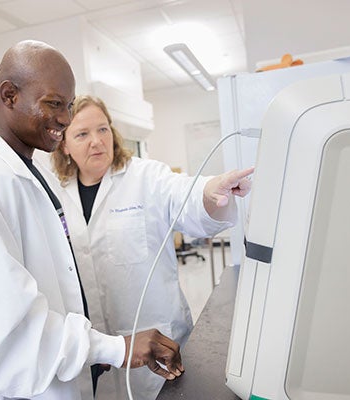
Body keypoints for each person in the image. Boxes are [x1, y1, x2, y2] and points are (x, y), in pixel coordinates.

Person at [0, 40, 183, 400]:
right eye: (53, 103)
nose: (65, 117)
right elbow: (11, 332)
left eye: (69, 105)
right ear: (9, 95)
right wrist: (113, 347)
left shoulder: (23, 173)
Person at [44, 95, 253, 399]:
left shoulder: (146, 177)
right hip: (99, 356)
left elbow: (184, 194)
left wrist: (210, 190)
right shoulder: (55, 196)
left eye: (103, 130)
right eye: (82, 134)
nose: (96, 142)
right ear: (64, 144)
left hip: (160, 348)